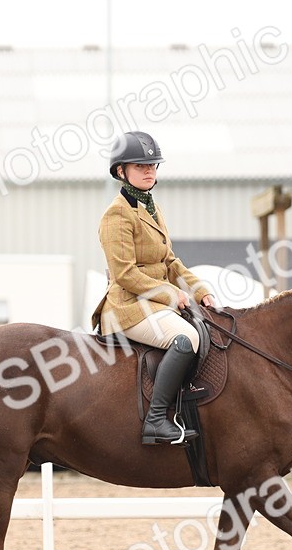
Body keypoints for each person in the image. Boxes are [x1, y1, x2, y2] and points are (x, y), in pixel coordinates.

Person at [90, 130, 216, 445]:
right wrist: (172, 294)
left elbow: (170, 262)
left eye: (153, 165)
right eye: (140, 166)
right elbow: (125, 274)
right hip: (126, 307)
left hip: (153, 304)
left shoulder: (151, 208)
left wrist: (201, 290)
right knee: (186, 338)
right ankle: (156, 420)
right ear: (121, 171)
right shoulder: (116, 215)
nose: (149, 171)